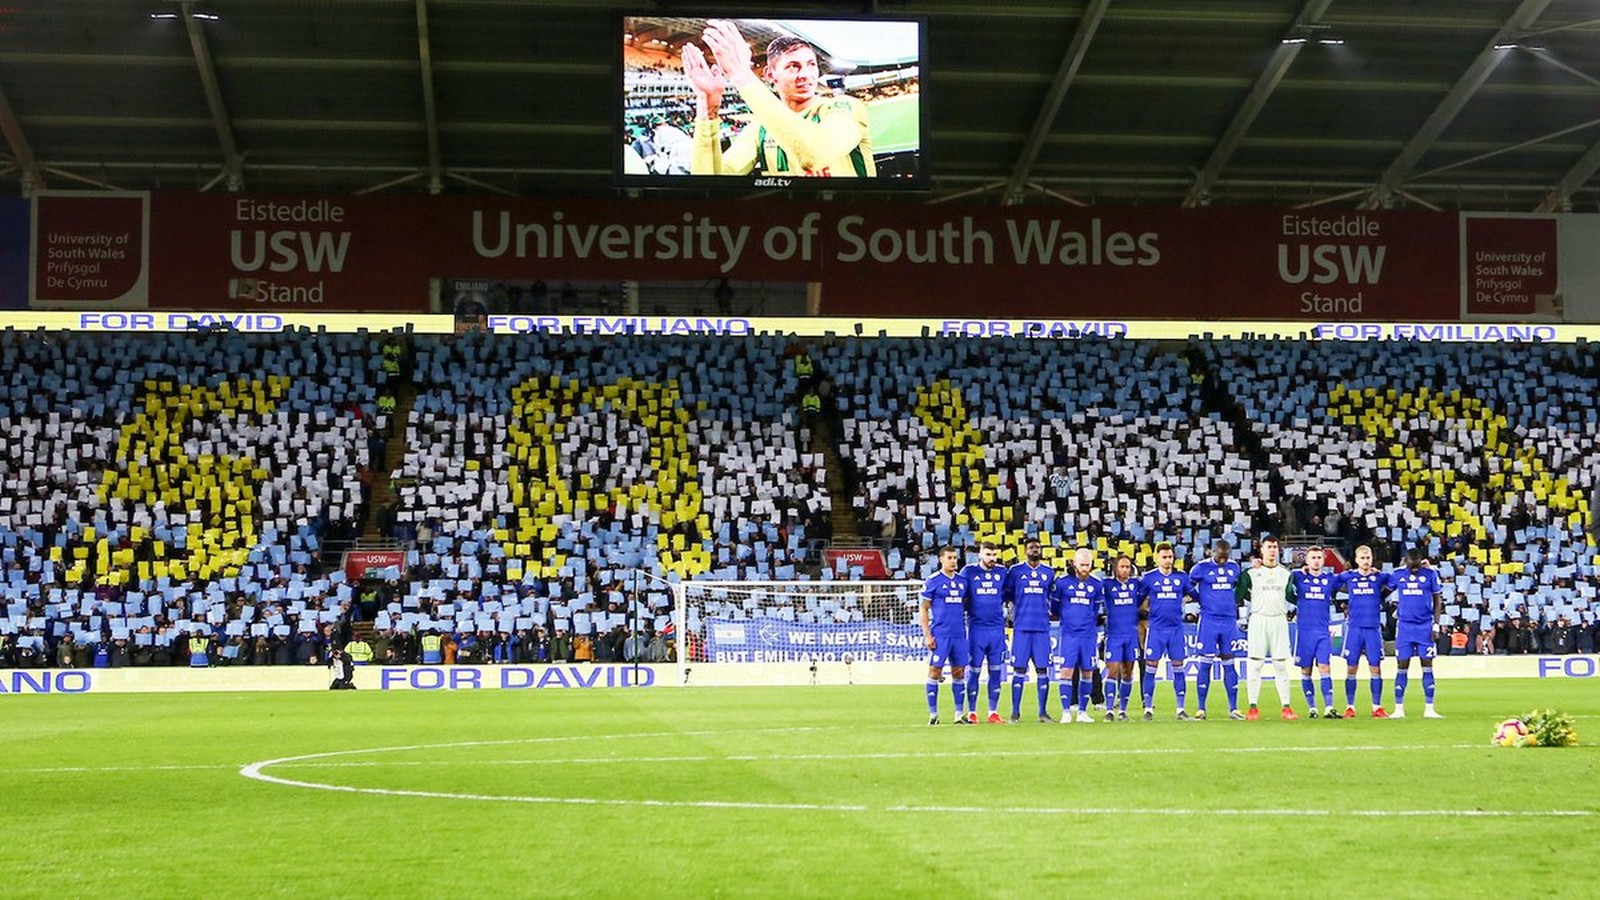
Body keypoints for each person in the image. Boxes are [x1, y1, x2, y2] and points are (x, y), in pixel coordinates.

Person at [683, 21, 875, 178]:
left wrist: (742, 75)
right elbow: (711, 182)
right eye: (793, 66)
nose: (805, 75)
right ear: (770, 74)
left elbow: (816, 154)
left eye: (811, 65)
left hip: (851, 222)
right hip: (787, 225)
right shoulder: (760, 130)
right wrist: (708, 105)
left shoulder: (845, 107)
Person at [1235, 536, 1299, 721]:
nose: (1272, 550)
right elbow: (1239, 593)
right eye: (1269, 547)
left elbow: (1290, 596)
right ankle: (1253, 707)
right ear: (1261, 550)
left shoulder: (1286, 573)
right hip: (1258, 619)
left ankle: (1286, 707)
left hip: (1279, 620)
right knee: (1255, 665)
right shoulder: (1251, 573)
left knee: (1280, 665)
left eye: (1275, 547)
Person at [1187, 540, 1244, 720]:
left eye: (1225, 558)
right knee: (1205, 663)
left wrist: (1232, 601)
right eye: (1220, 557)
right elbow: (1188, 585)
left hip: (1229, 621)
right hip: (1209, 621)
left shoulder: (1234, 567)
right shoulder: (1200, 568)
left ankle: (1233, 708)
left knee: (1229, 662)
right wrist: (1200, 599)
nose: (1222, 561)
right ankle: (1201, 708)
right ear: (1213, 552)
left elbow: (1239, 586)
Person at [1003, 537, 1056, 723]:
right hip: (1022, 628)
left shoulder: (1049, 572)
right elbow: (1007, 595)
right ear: (1025, 551)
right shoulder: (1016, 571)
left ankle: (1042, 712)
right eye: (1032, 547)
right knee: (1019, 670)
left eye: (1038, 547)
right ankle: (1015, 712)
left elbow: (1052, 596)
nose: (1035, 550)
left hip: (1042, 628)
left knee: (1043, 670)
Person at [1138, 542, 1191, 721]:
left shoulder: (1181, 577)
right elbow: (1137, 599)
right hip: (1157, 630)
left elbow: (1196, 595)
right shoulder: (1149, 578)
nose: (1168, 560)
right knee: (1150, 668)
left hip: (1176, 629)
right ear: (1157, 558)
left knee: (1178, 668)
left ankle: (1180, 709)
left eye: (1170, 557)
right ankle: (1148, 708)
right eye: (1164, 557)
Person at [1336, 545, 1391, 718]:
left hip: (1373, 628)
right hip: (1354, 628)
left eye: (1368, 558)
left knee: (1376, 667)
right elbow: (1331, 583)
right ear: (1356, 559)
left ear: (1372, 559)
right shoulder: (1349, 576)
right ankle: (1350, 707)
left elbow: (1395, 580)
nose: (1366, 561)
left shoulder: (1379, 577)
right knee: (1351, 668)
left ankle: (1377, 707)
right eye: (1362, 558)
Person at [1390, 550, 1445, 719]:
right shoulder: (1398, 574)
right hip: (1405, 627)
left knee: (1427, 665)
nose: (1414, 570)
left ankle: (1429, 708)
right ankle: (1398, 708)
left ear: (1421, 561)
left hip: (1424, 627)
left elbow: (1437, 600)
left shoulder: (1430, 574)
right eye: (1411, 566)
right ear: (1405, 561)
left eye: (1416, 566)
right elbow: (1384, 590)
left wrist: (1436, 625)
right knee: (1402, 666)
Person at [919, 545, 969, 725]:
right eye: (950, 558)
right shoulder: (933, 581)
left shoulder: (963, 582)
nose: (953, 561)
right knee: (935, 671)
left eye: (955, 558)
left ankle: (958, 715)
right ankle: (933, 714)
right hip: (941, 634)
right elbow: (924, 608)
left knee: (959, 672)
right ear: (941, 559)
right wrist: (927, 635)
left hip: (959, 634)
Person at [960, 541, 1008, 724]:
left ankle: (993, 712)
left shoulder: (1002, 572)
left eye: (994, 555)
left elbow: (1007, 594)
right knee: (974, 672)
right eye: (988, 554)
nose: (992, 558)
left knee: (996, 672)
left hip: (997, 630)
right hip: (976, 630)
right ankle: (972, 712)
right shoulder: (969, 572)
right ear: (980, 554)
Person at [1290, 546, 1341, 719]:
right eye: (1313, 557)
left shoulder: (1330, 579)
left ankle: (1329, 707)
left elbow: (1348, 577)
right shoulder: (1297, 576)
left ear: (1323, 560)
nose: (1316, 560)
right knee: (1306, 670)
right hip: (1304, 632)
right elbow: (1283, 580)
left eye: (1319, 557)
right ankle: (1312, 708)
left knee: (1325, 667)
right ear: (1307, 560)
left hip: (1322, 631)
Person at [1053, 548, 1103, 724]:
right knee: (1066, 670)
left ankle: (1082, 711)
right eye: (1081, 564)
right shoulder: (1062, 583)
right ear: (1074, 563)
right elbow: (1055, 608)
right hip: (1069, 634)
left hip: (1088, 635)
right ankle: (1066, 711)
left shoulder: (1097, 584)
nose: (1084, 568)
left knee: (1088, 672)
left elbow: (1095, 609)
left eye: (1087, 565)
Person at [1100, 555, 1141, 721]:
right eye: (1122, 567)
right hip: (1114, 635)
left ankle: (1123, 710)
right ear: (1116, 568)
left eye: (1128, 567)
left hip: (1131, 634)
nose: (1125, 570)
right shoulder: (1107, 585)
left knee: (1128, 672)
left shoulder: (1136, 584)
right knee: (1113, 670)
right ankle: (1109, 710)